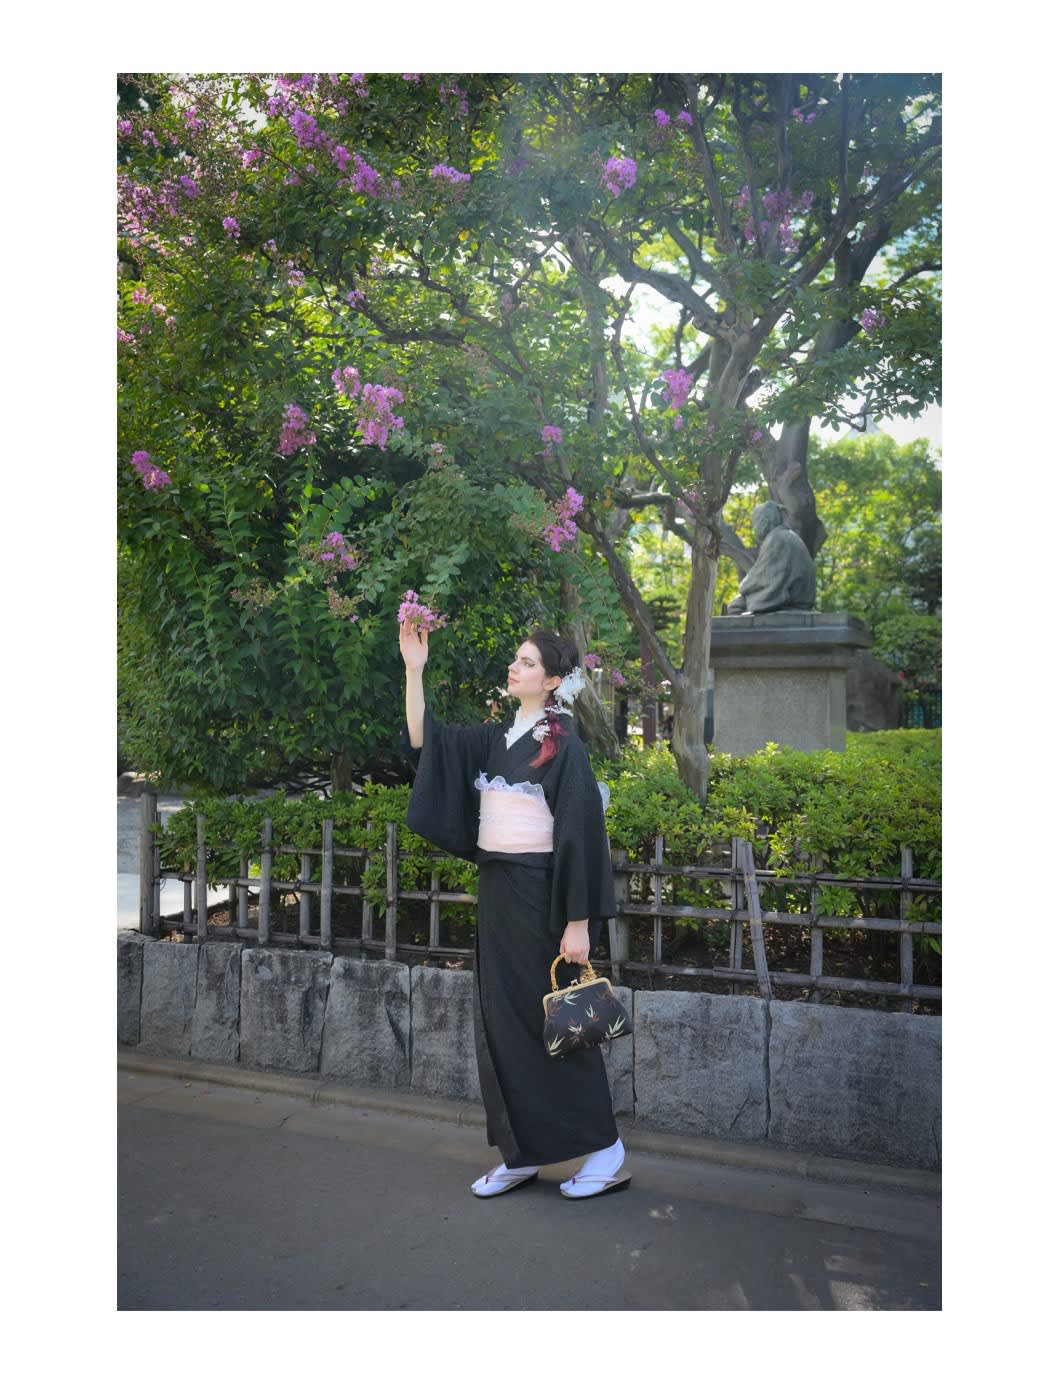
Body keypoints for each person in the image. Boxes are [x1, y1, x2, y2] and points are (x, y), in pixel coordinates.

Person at [399, 619, 630, 1200]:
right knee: (501, 1024)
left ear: (552, 680)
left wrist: (578, 923)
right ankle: (521, 1151)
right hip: (498, 893)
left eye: (528, 662)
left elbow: (580, 833)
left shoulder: (564, 745)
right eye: (517, 659)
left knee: (555, 1023)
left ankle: (606, 1149)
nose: (515, 667)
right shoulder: (497, 738)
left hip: (541, 899)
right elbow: (426, 740)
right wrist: (414, 670)